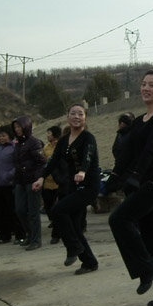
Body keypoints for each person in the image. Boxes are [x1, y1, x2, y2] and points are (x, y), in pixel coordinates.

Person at [107, 70, 153, 306]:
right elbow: (127, 154)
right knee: (151, 237)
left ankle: (146, 266)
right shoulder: (138, 121)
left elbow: (151, 149)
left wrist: (136, 176)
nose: (146, 88)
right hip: (144, 181)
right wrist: (115, 177)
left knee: (119, 219)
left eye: (152, 85)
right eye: (143, 84)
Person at [33, 104, 100, 275]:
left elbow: (88, 156)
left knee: (58, 210)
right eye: (73, 113)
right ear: (67, 117)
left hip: (88, 186)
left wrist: (83, 171)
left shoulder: (88, 138)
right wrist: (41, 177)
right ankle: (89, 262)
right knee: (75, 226)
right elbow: (53, 161)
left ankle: (73, 248)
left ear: (85, 117)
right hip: (72, 186)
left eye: (80, 114)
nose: (76, 117)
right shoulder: (63, 140)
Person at [12, 116, 45, 251]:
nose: (17, 130)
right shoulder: (17, 143)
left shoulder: (34, 143)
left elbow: (42, 162)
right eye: (15, 127)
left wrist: (38, 179)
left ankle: (36, 239)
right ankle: (30, 234)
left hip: (32, 180)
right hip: (20, 180)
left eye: (19, 127)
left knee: (33, 211)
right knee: (20, 210)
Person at [41, 125, 63, 245]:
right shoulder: (46, 147)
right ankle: (53, 220)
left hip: (60, 181)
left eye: (49, 133)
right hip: (48, 180)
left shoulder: (62, 145)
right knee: (48, 202)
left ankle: (57, 231)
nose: (48, 136)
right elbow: (45, 162)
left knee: (58, 206)